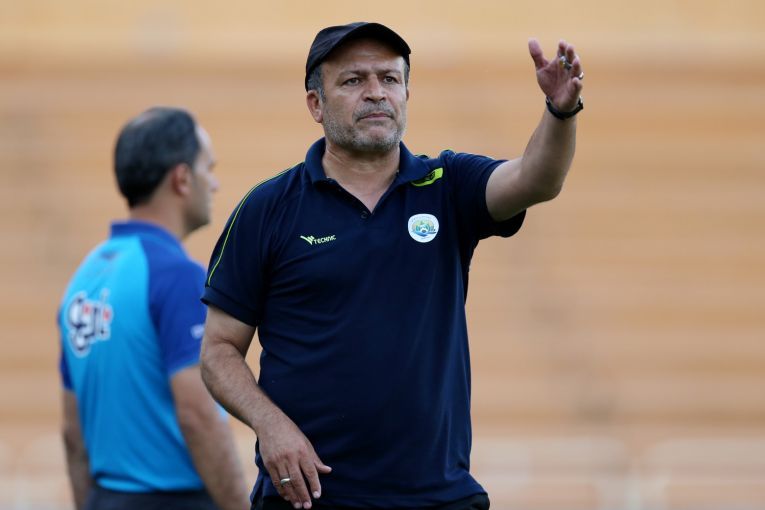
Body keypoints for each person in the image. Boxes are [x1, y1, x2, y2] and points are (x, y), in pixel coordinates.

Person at [200, 22, 583, 510]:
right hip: (310, 496)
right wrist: (269, 424)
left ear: (406, 93)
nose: (376, 92)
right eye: (353, 80)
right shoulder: (268, 208)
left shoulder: (448, 185)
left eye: (389, 78)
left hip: (437, 496)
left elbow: (536, 179)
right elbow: (217, 351)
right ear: (316, 104)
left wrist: (560, 112)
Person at [57, 107, 250, 510]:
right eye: (208, 169)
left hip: (104, 498)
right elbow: (198, 417)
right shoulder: (176, 276)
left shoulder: (85, 278)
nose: (214, 183)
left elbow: (73, 435)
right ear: (182, 178)